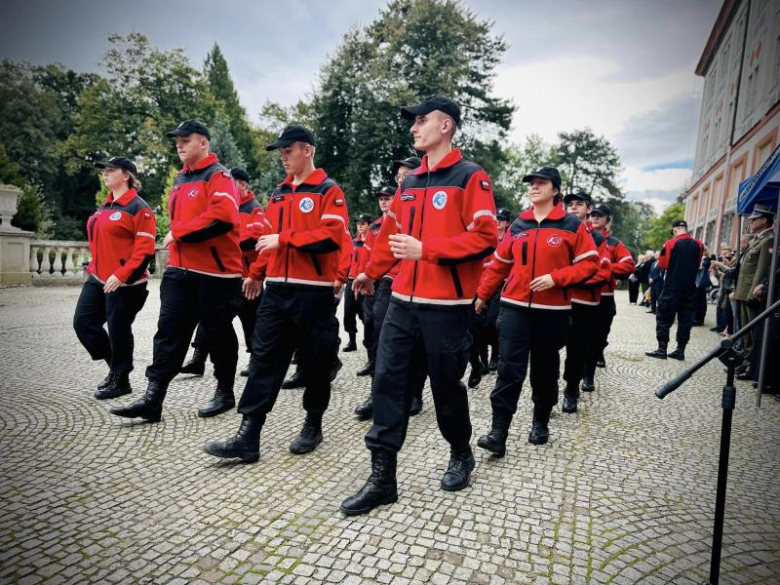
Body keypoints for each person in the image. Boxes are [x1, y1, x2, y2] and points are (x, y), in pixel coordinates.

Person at [341, 96, 497, 515]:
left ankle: (460, 451)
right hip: (402, 305)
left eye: (422, 121)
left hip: (447, 307)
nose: (414, 128)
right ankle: (382, 479)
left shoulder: (471, 177)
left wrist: (426, 250)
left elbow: (485, 238)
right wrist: (370, 271)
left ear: (446, 126)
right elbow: (390, 236)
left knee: (446, 389)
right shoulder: (408, 184)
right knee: (388, 385)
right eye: (413, 122)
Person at [202, 124, 349, 462]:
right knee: (263, 360)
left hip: (313, 292)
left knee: (315, 362)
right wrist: (255, 274)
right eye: (280, 153)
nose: (283, 158)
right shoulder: (279, 194)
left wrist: (286, 239)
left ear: (307, 150)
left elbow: (331, 238)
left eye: (288, 151)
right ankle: (248, 435)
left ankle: (313, 423)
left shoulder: (329, 191)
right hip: (276, 292)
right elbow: (266, 239)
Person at [111, 120, 242, 422]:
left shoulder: (218, 176)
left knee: (217, 333)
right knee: (168, 333)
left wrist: (180, 232)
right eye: (177, 141)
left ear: (204, 143)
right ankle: (153, 398)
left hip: (216, 275)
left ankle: (224, 392)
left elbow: (223, 218)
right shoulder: (181, 179)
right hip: (180, 271)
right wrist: (179, 239)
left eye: (186, 140)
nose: (179, 144)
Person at [474, 170, 598, 457]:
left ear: (555, 190)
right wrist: (482, 294)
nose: (533, 188)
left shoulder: (572, 226)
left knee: (544, 370)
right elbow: (499, 265)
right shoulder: (519, 224)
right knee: (508, 369)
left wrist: (557, 277)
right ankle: (498, 432)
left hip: (551, 312)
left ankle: (540, 421)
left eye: (540, 183)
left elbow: (590, 265)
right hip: (514, 307)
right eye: (531, 184)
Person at [74, 157, 156, 400]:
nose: (105, 173)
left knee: (119, 329)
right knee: (84, 324)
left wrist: (121, 275)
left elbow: (145, 251)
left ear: (126, 175)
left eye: (111, 170)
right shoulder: (106, 206)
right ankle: (116, 369)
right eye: (104, 170)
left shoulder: (139, 208)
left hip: (127, 283)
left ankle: (121, 379)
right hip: (98, 277)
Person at [178, 168, 266, 388]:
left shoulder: (254, 209)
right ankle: (198, 359)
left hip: (248, 277)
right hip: (225, 274)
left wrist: (226, 241)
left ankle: (256, 360)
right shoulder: (225, 207)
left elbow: (253, 239)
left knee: (250, 322)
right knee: (210, 316)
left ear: (243, 185)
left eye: (233, 183)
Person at [353, 160, 427, 421]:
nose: (401, 180)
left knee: (417, 341)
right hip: (389, 280)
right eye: (398, 176)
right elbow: (381, 250)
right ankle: (378, 393)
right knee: (377, 329)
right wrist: (369, 274)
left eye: (406, 175)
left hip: (421, 282)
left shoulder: (424, 205)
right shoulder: (380, 222)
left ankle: (415, 392)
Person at [559, 190, 611, 413]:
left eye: (579, 204)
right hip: (556, 301)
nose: (573, 208)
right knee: (547, 349)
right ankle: (545, 393)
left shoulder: (597, 239)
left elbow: (603, 272)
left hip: (583, 302)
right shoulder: (558, 231)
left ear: (589, 209)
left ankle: (571, 389)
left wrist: (568, 279)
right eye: (569, 204)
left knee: (576, 350)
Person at [584, 203, 635, 380]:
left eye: (600, 215)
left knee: (601, 334)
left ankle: (598, 351)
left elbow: (628, 265)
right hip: (580, 297)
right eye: (593, 214)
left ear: (607, 220)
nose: (595, 217)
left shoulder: (614, 243)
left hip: (604, 297)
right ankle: (584, 373)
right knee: (580, 337)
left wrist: (603, 269)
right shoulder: (582, 237)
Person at [645, 219, 703, 361]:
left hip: (672, 286)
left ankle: (662, 349)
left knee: (663, 316)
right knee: (685, 320)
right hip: (690, 287)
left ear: (675, 230)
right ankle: (680, 350)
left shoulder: (670, 243)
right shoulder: (699, 244)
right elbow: (698, 263)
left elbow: (663, 265)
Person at [732, 204, 775, 379]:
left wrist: (751, 294)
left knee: (753, 331)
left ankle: (751, 367)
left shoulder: (768, 240)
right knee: (745, 332)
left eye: (754, 219)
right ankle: (745, 362)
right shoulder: (757, 240)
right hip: (744, 291)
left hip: (752, 293)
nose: (750, 222)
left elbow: (761, 269)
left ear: (764, 220)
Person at [342, 213, 372, 352]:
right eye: (358, 223)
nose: (360, 226)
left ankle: (370, 344)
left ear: (369, 225)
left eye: (363, 223)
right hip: (351, 281)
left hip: (365, 282)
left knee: (365, 314)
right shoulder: (353, 242)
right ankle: (352, 341)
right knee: (348, 313)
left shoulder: (372, 244)